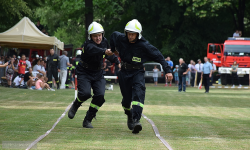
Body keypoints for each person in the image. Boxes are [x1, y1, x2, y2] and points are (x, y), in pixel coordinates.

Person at [110, 19, 173, 134]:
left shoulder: (144, 45)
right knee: (126, 101)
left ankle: (136, 120)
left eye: (133, 34)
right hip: (124, 72)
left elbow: (159, 56)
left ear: (138, 34)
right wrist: (113, 50)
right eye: (129, 33)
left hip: (137, 72)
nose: (130, 36)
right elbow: (113, 35)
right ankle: (129, 115)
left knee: (139, 93)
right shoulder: (120, 38)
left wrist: (168, 70)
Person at [68, 21, 120, 129]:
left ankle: (88, 119)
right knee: (85, 94)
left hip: (98, 73)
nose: (98, 38)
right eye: (95, 36)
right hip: (84, 71)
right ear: (90, 36)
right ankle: (76, 104)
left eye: (99, 35)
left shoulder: (104, 42)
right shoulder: (88, 45)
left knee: (100, 96)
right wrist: (105, 51)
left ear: (102, 34)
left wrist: (119, 62)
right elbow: (95, 50)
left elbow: (109, 55)